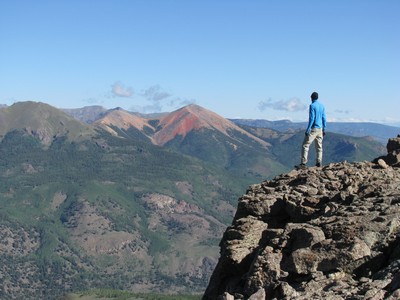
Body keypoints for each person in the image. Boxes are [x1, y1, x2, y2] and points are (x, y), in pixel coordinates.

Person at [296, 92, 327, 169]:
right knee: (319, 146)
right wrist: (324, 128)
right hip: (320, 129)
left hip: (314, 128)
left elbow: (312, 118)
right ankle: (319, 162)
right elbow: (324, 118)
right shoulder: (322, 106)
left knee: (305, 145)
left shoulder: (312, 105)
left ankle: (303, 163)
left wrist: (308, 129)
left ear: (311, 98)